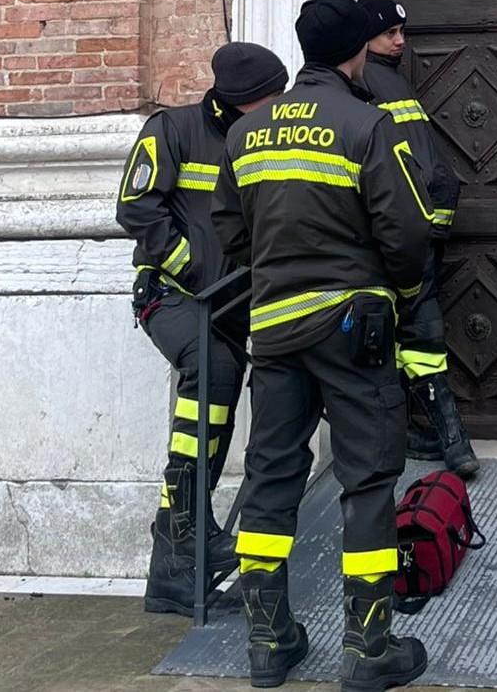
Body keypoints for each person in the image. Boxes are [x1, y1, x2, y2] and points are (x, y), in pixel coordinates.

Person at [212, 0, 433, 690]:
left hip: (274, 328)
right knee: (367, 477)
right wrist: (395, 294)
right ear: (356, 52)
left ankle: (268, 641)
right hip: (351, 326)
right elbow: (407, 235)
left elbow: (229, 230)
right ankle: (369, 647)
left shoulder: (246, 133)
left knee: (271, 477)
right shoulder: (368, 126)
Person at [116, 41, 287, 616]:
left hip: (236, 307)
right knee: (210, 371)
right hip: (172, 294)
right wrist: (192, 266)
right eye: (267, 99)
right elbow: (135, 208)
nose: (275, 107)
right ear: (237, 99)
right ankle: (187, 531)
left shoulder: (266, 137)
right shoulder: (174, 129)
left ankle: (172, 566)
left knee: (219, 399)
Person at [357, 0, 478, 477]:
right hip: (409, 231)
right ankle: (446, 439)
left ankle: (437, 437)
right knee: (417, 330)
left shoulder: (376, 82)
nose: (400, 42)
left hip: (400, 231)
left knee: (408, 331)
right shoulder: (376, 83)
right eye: (390, 34)